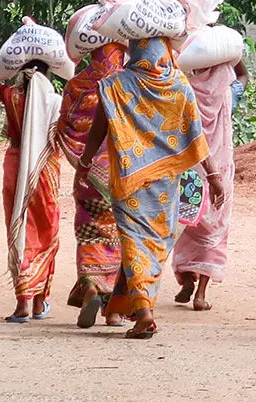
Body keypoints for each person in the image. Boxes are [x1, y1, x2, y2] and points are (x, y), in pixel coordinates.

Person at [74, 37, 224, 339]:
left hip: (129, 179)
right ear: (165, 52)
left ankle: (142, 311)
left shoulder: (116, 85)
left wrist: (85, 162)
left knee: (133, 241)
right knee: (153, 245)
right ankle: (126, 306)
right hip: (167, 182)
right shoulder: (179, 84)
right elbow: (196, 133)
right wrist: (212, 174)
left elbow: (100, 127)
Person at [57, 42, 126, 328]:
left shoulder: (76, 85)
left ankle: (90, 287)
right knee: (121, 239)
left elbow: (64, 125)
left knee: (89, 234)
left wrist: (83, 162)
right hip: (123, 176)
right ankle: (114, 311)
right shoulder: (127, 84)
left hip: (87, 175)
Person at [173, 60, 249, 311]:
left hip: (190, 171)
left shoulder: (187, 91)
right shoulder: (229, 93)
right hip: (221, 170)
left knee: (185, 223)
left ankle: (185, 281)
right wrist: (235, 61)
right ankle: (201, 294)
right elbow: (244, 77)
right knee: (214, 229)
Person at [0, 60, 61, 323]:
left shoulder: (10, 96)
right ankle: (40, 303)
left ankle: (22, 303)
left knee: (20, 228)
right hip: (43, 171)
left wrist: (12, 62)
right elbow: (58, 139)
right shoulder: (54, 101)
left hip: (15, 166)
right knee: (45, 229)